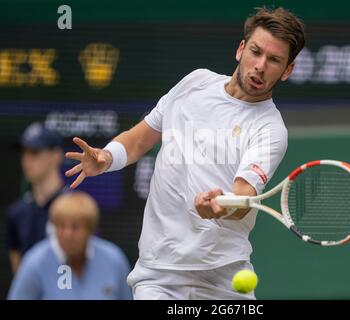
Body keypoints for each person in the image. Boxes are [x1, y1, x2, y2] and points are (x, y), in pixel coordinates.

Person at [64, 7, 305, 299]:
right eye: (256, 51)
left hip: (224, 276)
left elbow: (242, 197)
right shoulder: (195, 83)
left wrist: (219, 207)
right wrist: (106, 158)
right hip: (158, 274)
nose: (260, 66)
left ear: (287, 70)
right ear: (241, 49)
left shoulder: (270, 129)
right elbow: (139, 140)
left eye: (274, 60)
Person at [7, 191, 132, 300]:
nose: (68, 234)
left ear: (90, 229)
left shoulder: (114, 260)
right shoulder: (35, 262)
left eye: (75, 227)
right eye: (61, 226)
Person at [6, 122, 68, 274]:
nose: (26, 160)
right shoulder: (16, 212)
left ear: (56, 155)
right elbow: (20, 275)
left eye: (35, 152)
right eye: (24, 152)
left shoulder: (75, 207)